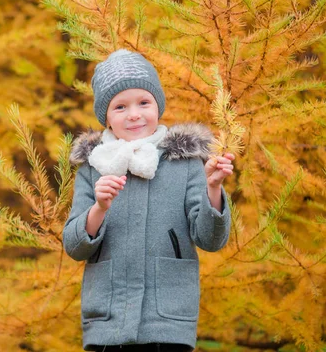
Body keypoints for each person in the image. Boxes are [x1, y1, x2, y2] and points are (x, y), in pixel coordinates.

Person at [64, 49, 235, 352]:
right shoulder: (94, 168)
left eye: (144, 102)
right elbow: (74, 247)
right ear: (106, 116)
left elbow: (210, 240)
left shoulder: (185, 163)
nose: (134, 114)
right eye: (120, 107)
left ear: (158, 105)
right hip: (107, 320)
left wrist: (212, 188)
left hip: (167, 320)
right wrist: (98, 209)